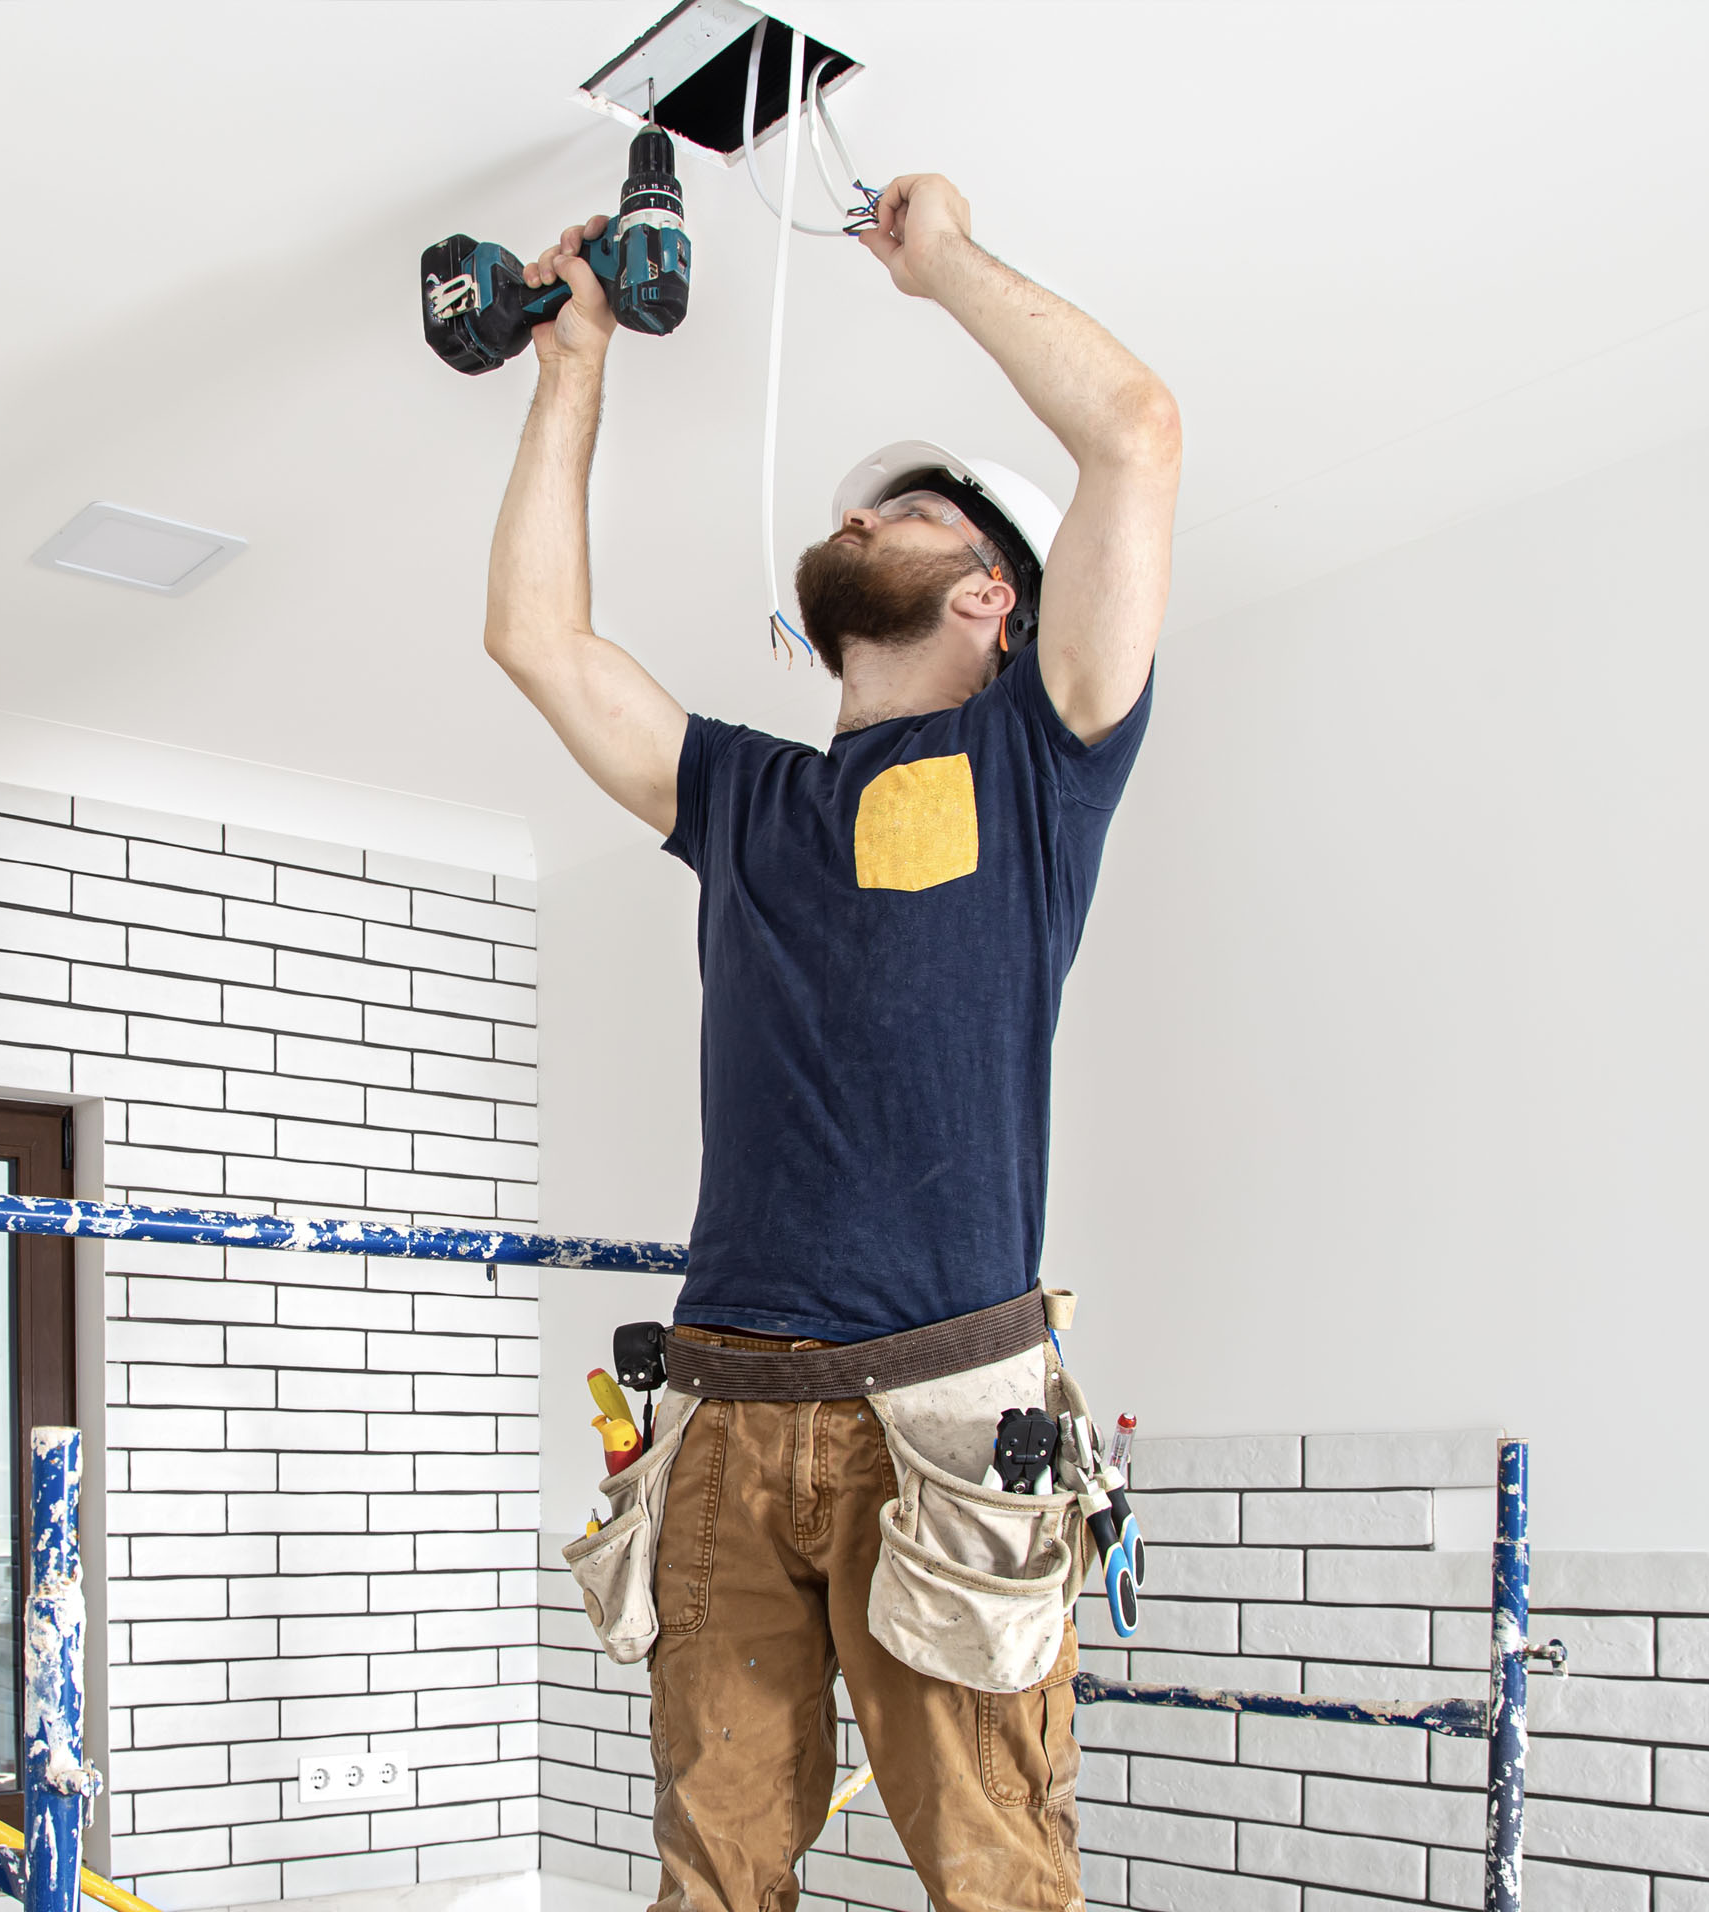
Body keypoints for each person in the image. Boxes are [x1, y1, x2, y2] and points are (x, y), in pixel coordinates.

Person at [484, 173, 1180, 1912]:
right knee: (712, 1881)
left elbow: (1137, 432)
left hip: (943, 1417)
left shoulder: (1041, 762)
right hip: (725, 1412)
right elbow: (538, 641)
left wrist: (943, 268)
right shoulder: (747, 797)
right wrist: (572, 369)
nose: (864, 515)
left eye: (913, 511)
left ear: (996, 598)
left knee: (997, 1879)